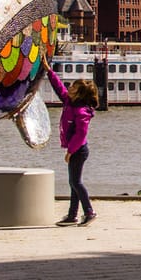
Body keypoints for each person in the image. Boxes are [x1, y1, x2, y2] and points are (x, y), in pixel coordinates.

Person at [48, 67, 99, 226]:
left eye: (74, 87)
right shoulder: (69, 102)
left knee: (76, 182)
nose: (69, 88)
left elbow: (81, 134)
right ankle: (72, 215)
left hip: (79, 150)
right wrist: (49, 71)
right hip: (75, 149)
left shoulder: (81, 111)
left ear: (80, 93)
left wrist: (70, 152)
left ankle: (89, 211)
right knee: (73, 182)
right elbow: (59, 88)